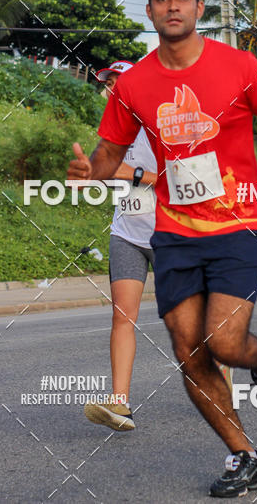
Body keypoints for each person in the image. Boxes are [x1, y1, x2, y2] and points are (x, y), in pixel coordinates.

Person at [68, 0, 257, 497]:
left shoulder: (241, 66)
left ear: (199, 8)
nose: (172, 6)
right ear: (150, 11)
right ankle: (243, 454)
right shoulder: (134, 83)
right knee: (190, 349)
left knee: (226, 343)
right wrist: (90, 169)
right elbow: (111, 152)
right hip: (174, 232)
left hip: (237, 223)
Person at [82, 60, 158, 432]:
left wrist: (131, 173)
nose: (109, 91)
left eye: (116, 84)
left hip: (172, 235)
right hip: (127, 233)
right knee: (122, 317)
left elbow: (185, 178)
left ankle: (224, 392)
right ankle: (120, 403)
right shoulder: (112, 135)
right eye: (107, 84)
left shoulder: (161, 127)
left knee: (193, 327)